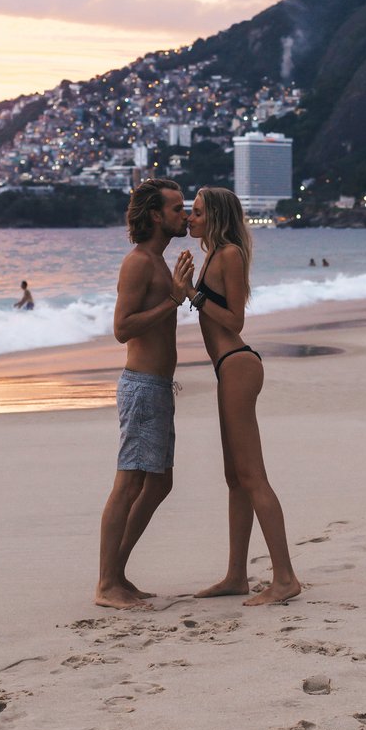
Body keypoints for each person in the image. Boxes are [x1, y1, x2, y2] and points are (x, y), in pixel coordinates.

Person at [179, 186, 300, 606]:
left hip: (238, 363)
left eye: (195, 212)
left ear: (214, 216)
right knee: (235, 479)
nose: (188, 218)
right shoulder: (211, 255)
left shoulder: (228, 254)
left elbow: (235, 318)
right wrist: (187, 287)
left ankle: (284, 578)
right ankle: (236, 575)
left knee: (252, 477)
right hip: (225, 367)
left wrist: (191, 295)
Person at [95, 179, 191, 609]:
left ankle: (117, 574)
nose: (184, 215)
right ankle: (105, 585)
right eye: (176, 209)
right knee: (129, 482)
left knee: (160, 483)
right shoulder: (138, 263)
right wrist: (173, 300)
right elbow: (122, 328)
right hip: (141, 387)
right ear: (155, 215)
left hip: (157, 388)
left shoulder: (157, 261)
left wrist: (181, 294)